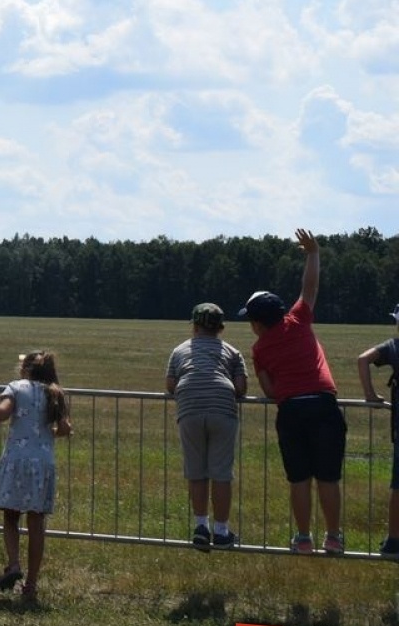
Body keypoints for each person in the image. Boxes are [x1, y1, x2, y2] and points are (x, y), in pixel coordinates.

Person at [240, 228, 346, 555]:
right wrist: (313, 253)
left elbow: (270, 390)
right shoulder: (299, 319)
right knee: (328, 478)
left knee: (299, 479)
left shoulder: (259, 349)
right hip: (323, 405)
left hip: (291, 411)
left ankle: (303, 539)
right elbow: (309, 287)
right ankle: (333, 537)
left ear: (258, 323)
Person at [0, 349, 72, 604]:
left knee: (11, 514)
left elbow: (3, 413)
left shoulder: (16, 387)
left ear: (26, 369)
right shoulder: (55, 392)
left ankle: (14, 564)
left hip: (17, 460)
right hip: (42, 463)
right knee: (36, 521)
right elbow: (65, 428)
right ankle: (31, 583)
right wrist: (46, 435)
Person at [166, 302, 248, 550]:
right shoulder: (233, 352)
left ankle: (201, 527)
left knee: (196, 471)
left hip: (189, 407)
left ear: (194, 326)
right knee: (221, 473)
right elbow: (241, 387)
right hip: (222, 407)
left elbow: (170, 384)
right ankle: (221, 531)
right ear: (221, 328)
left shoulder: (179, 350)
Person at [355, 303, 399, 562]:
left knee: (398, 485)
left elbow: (363, 359)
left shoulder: (394, 346)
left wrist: (370, 395)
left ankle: (394, 540)